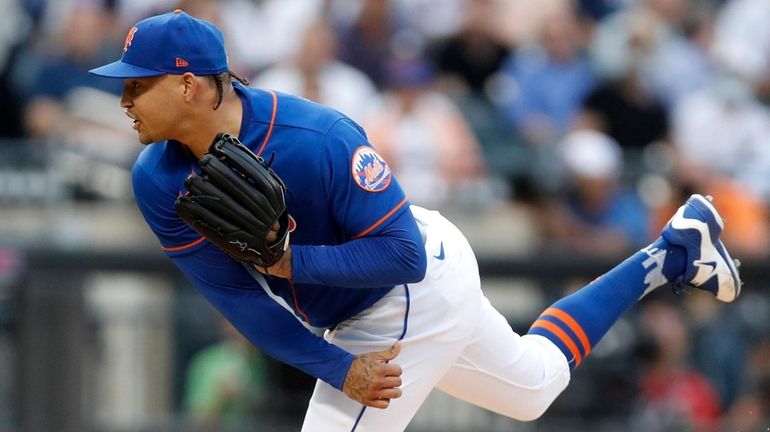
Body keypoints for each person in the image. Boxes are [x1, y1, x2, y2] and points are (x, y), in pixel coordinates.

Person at [89, 10, 743, 431]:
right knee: (533, 387)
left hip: (406, 288)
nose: (123, 99)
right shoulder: (156, 177)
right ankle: (671, 251)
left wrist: (293, 267)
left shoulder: (316, 138)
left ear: (191, 85)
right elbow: (235, 296)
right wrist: (334, 365)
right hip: (362, 302)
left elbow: (401, 256)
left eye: (137, 84)